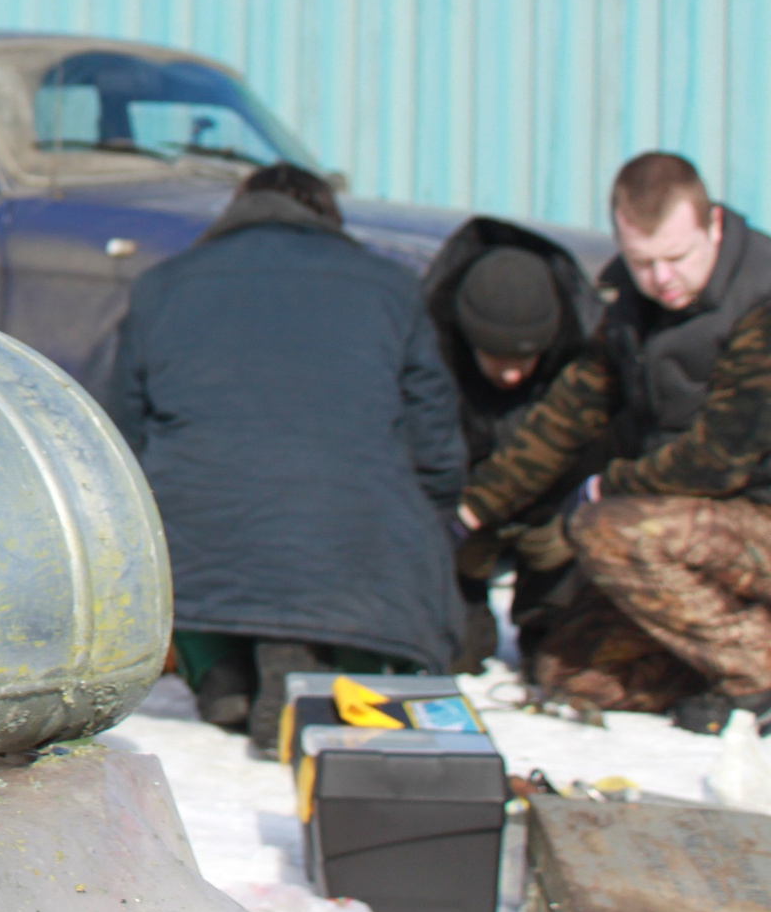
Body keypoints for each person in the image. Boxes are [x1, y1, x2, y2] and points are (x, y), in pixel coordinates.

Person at [107, 164, 464, 753]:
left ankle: (221, 667)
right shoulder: (390, 285)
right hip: (351, 538)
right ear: (328, 216)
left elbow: (122, 436)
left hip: (204, 535)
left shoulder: (162, 285)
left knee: (200, 533)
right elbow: (436, 445)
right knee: (346, 563)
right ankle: (308, 663)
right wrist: (429, 526)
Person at [459, 153, 771, 729]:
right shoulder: (632, 306)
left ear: (713, 226)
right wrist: (476, 506)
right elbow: (572, 409)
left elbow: (717, 461)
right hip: (697, 529)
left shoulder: (762, 300)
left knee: (606, 526)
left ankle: (757, 672)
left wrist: (608, 486)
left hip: (753, 514)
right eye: (643, 262)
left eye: (676, 258)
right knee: (570, 672)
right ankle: (723, 663)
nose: (661, 278)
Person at [419, 220, 609, 671]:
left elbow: (589, 441)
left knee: (557, 660)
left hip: (553, 510)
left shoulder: (586, 343)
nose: (511, 374)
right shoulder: (429, 342)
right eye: (496, 358)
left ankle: (544, 614)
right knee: (457, 654)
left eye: (525, 359)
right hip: (463, 514)